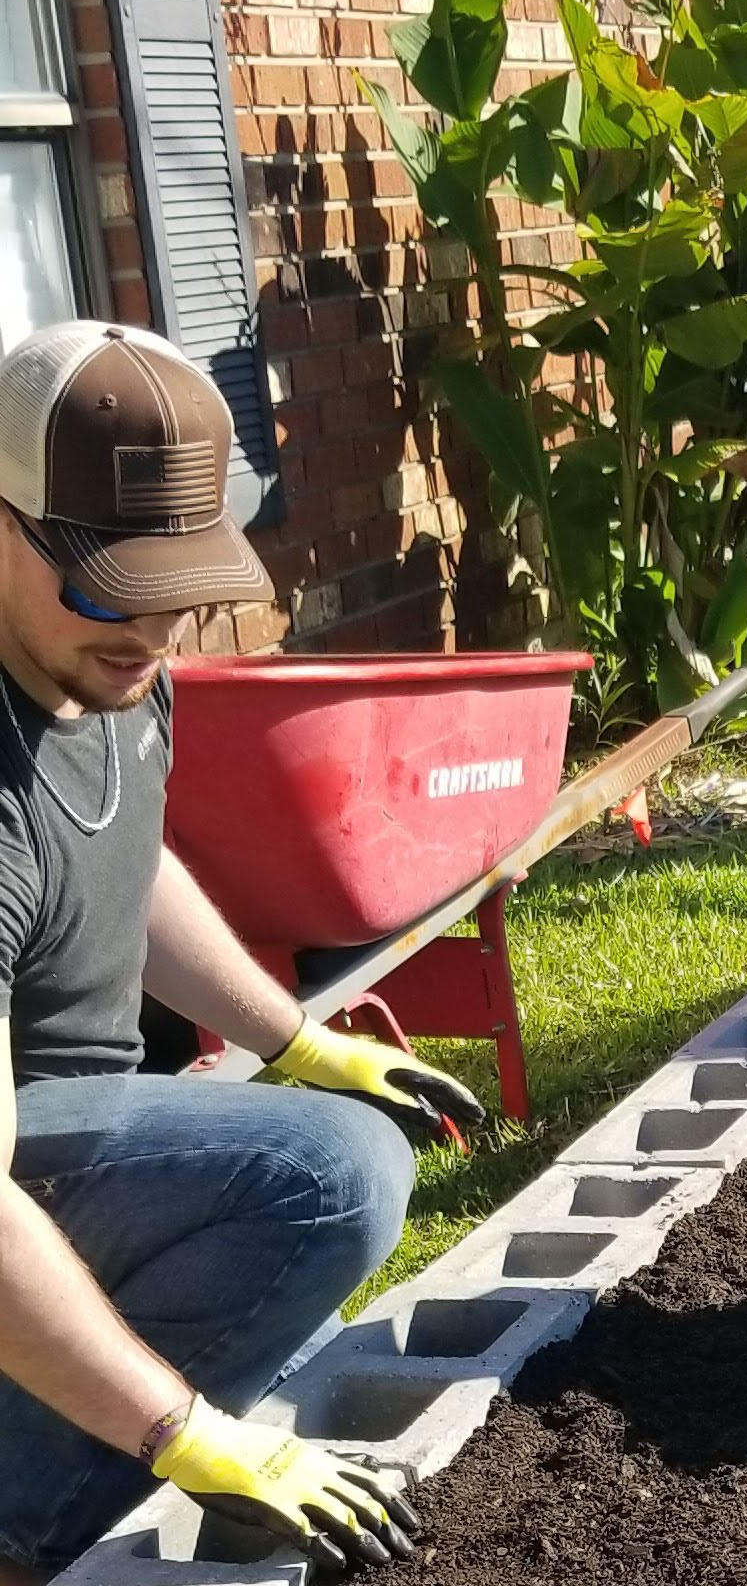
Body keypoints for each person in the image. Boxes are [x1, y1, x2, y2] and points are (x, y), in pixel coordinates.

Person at [0, 322, 482, 1578]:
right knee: (322, 1174)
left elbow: (123, 863)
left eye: (180, 589)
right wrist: (191, 1436)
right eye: (111, 583)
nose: (152, 631)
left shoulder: (106, 662)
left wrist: (297, 1035)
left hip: (48, 1132)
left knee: (325, 1135)